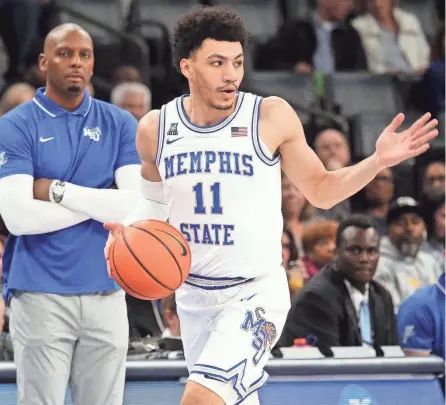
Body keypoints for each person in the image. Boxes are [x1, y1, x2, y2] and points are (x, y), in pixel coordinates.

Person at [104, 6, 438, 405]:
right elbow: (152, 204)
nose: (231, 74)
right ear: (186, 66)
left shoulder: (269, 116)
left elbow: (322, 190)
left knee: (199, 400)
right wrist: (128, 232)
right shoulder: (156, 129)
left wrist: (377, 161)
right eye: (217, 63)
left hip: (255, 295)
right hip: (194, 297)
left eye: (238, 62)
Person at [0, 24, 143, 405]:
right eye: (64, 53)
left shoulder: (120, 123)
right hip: (39, 291)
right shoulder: (14, 126)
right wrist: (101, 203)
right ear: (44, 62)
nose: (76, 62)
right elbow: (18, 218)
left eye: (84, 54)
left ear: (94, 63)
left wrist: (59, 192)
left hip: (108, 289)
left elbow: (137, 207)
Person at [278, 214, 398, 351]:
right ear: (336, 252)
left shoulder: (382, 296)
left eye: (372, 251)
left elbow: (392, 352)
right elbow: (331, 365)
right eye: (355, 250)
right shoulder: (317, 298)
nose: (365, 258)